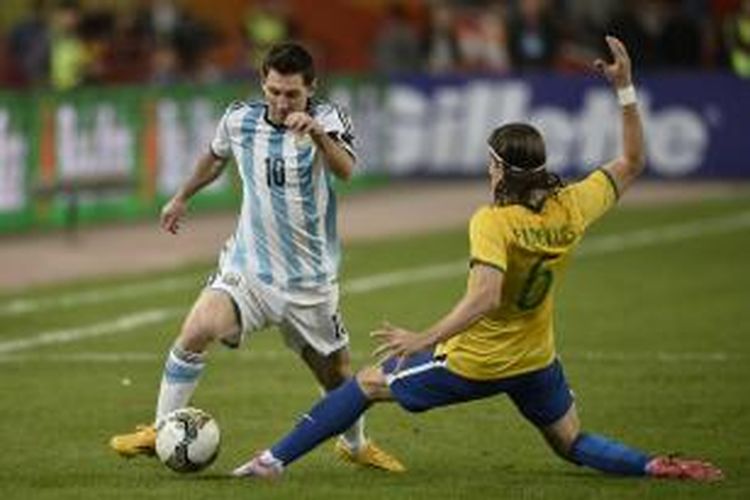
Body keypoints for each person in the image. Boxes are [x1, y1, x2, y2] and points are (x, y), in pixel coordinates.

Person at [231, 36, 723, 482]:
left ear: (499, 169)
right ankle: (653, 465)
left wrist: (421, 339)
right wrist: (626, 90)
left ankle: (270, 461)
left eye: (490, 163)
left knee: (363, 385)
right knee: (571, 442)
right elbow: (634, 161)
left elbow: (484, 298)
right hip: (536, 359)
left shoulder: (493, 222)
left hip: (479, 361)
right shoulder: (572, 204)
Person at [109, 42, 404, 473]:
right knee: (197, 329)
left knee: (337, 377)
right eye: (274, 91)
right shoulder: (239, 118)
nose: (282, 103)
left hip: (310, 282)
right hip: (248, 268)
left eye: (292, 95)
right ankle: (160, 429)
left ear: (311, 89)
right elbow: (215, 158)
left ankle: (355, 445)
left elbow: (345, 170)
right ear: (262, 84)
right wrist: (181, 197)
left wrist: (317, 135)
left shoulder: (329, 119)